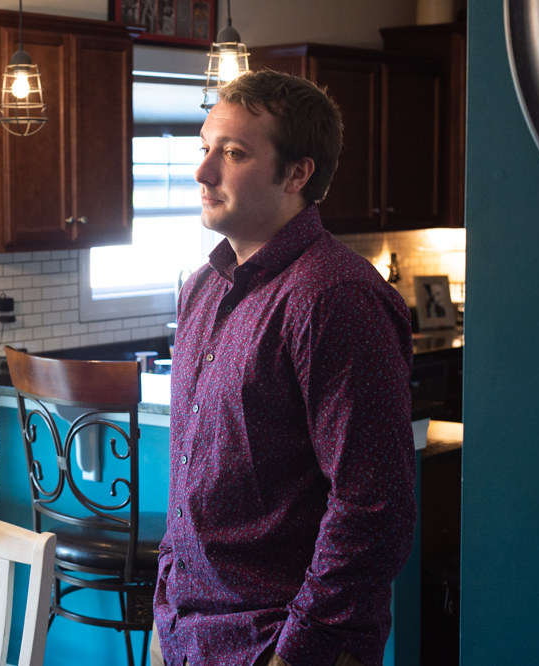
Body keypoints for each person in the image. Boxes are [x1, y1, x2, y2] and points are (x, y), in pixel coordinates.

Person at [152, 71, 417, 666]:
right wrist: (165, 612)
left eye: (235, 153)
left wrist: (298, 650)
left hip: (277, 642)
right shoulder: (200, 291)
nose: (203, 172)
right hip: (188, 635)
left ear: (298, 174)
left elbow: (376, 505)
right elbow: (191, 481)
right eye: (205, 149)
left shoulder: (335, 298)